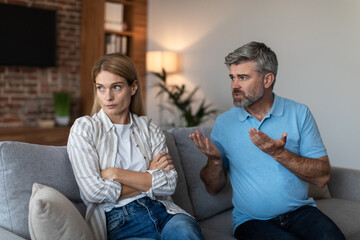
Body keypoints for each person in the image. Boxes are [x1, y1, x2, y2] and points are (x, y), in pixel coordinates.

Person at [189, 41, 345, 240]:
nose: (234, 85)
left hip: (301, 212)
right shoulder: (224, 123)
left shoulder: (299, 113)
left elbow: (322, 177)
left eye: (243, 77)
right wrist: (215, 161)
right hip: (251, 221)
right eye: (232, 77)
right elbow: (212, 188)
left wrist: (278, 153)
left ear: (267, 79)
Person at [67, 53, 204, 240]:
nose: (108, 97)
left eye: (116, 87)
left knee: (187, 232)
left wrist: (116, 173)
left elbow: (170, 183)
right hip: (119, 221)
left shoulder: (148, 127)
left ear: (133, 87)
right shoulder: (85, 128)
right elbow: (93, 192)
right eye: (101, 88)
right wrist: (148, 176)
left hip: (163, 211)